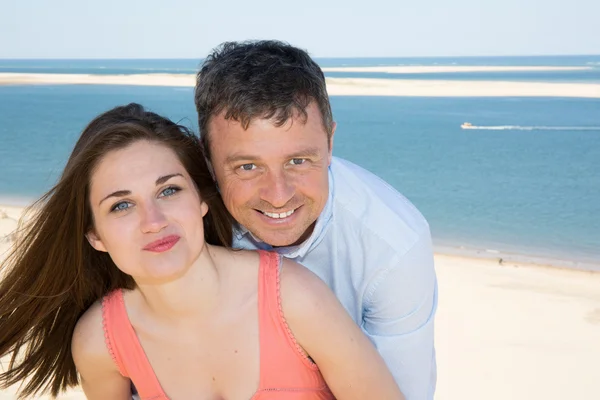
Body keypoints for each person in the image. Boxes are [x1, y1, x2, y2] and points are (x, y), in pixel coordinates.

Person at [0, 103, 404, 400]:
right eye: (121, 205)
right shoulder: (101, 343)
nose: (154, 220)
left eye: (169, 190)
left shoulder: (294, 297)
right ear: (96, 237)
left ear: (201, 201)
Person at [195, 40, 438, 400]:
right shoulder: (178, 220)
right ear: (208, 160)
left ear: (330, 143)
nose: (278, 195)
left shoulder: (395, 246)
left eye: (298, 161)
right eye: (248, 166)